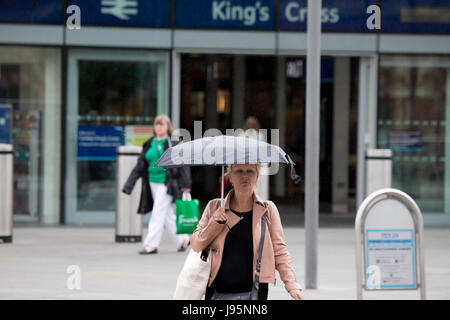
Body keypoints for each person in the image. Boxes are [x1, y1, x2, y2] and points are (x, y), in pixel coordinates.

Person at [190, 163, 304, 300]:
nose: (245, 176)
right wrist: (214, 223)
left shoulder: (268, 209)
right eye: (239, 171)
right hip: (217, 292)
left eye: (250, 171)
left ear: (257, 176)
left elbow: (279, 251)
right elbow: (196, 244)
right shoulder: (214, 206)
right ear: (230, 177)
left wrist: (291, 284)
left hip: (254, 293)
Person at [122, 114, 191, 255]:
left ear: (168, 127)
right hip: (152, 183)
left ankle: (151, 245)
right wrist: (129, 184)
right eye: (157, 124)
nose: (159, 126)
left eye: (162, 124)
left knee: (157, 213)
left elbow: (183, 164)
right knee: (166, 215)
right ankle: (183, 240)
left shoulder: (174, 142)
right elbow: (140, 166)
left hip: (167, 183)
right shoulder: (149, 143)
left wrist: (186, 183)